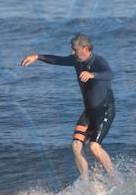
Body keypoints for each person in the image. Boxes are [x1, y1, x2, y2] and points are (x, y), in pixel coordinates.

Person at [21, 34, 116, 178]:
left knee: (94, 146)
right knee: (76, 146)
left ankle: (114, 177)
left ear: (85, 48)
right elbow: (58, 60)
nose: (72, 52)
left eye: (75, 49)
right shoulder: (76, 60)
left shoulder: (99, 61)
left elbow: (109, 74)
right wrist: (37, 57)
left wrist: (93, 75)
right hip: (89, 112)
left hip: (104, 110)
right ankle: (86, 183)